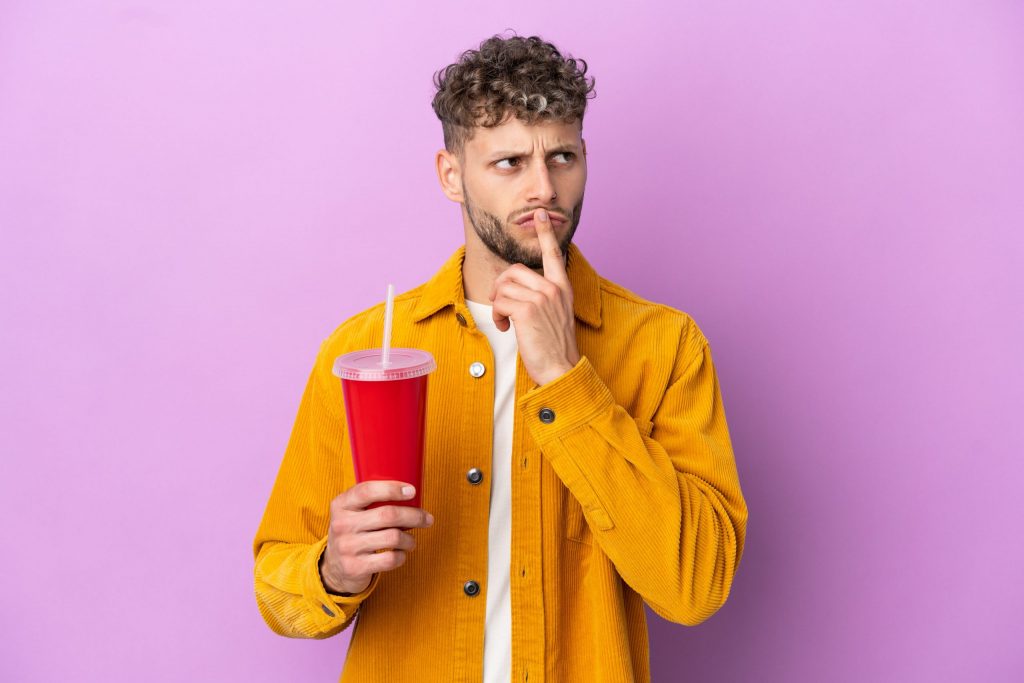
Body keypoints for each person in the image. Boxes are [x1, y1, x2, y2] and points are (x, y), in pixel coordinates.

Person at [253, 32, 748, 683]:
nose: (544, 187)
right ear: (451, 175)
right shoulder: (362, 348)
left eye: (563, 156)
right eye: (511, 163)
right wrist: (331, 569)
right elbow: (275, 581)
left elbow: (695, 585)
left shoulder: (665, 345)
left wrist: (569, 379)